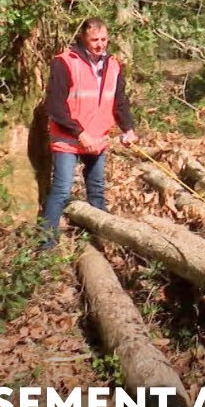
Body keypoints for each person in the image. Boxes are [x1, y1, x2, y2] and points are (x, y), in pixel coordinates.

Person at [40, 17, 138, 249]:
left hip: (98, 139)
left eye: (104, 39)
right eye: (95, 39)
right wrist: (80, 134)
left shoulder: (114, 65)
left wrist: (129, 129)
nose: (100, 44)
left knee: (97, 190)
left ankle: (102, 241)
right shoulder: (65, 62)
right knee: (62, 190)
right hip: (68, 138)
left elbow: (120, 102)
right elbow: (55, 106)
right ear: (83, 38)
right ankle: (46, 245)